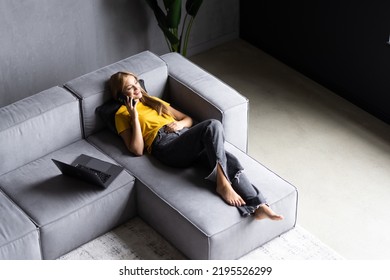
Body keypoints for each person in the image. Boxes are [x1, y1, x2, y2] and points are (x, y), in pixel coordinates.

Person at [109, 71, 283, 221]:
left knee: (227, 158)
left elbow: (188, 119)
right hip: (166, 146)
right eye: (130, 88)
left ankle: (258, 206)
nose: (137, 88)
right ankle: (223, 185)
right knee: (212, 125)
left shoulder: (153, 101)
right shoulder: (121, 115)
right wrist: (134, 116)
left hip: (184, 137)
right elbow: (137, 150)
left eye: (136, 83)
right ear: (121, 95)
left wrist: (179, 125)